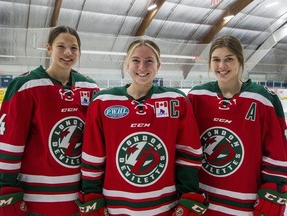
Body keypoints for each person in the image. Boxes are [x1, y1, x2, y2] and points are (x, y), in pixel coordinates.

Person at [75, 39, 209, 216]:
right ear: (127, 64)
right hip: (115, 206)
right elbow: (93, 155)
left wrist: (188, 194)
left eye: (149, 61)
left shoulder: (176, 101)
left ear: (158, 65)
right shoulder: (102, 101)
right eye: (136, 60)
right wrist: (92, 195)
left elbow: (188, 153)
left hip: (165, 206)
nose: (142, 67)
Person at [0, 25, 100, 215]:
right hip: (35, 199)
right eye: (61, 46)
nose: (68, 52)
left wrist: (94, 187)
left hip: (79, 199)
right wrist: (6, 189)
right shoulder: (26, 86)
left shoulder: (90, 87)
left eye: (74, 48)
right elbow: (9, 143)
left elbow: (96, 142)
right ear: (49, 48)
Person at [188, 35, 287, 216]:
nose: (222, 66)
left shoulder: (263, 99)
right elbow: (183, 145)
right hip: (202, 203)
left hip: (245, 204)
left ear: (240, 61)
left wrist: (275, 187)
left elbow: (277, 151)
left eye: (229, 59)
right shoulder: (197, 96)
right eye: (216, 60)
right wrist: (184, 189)